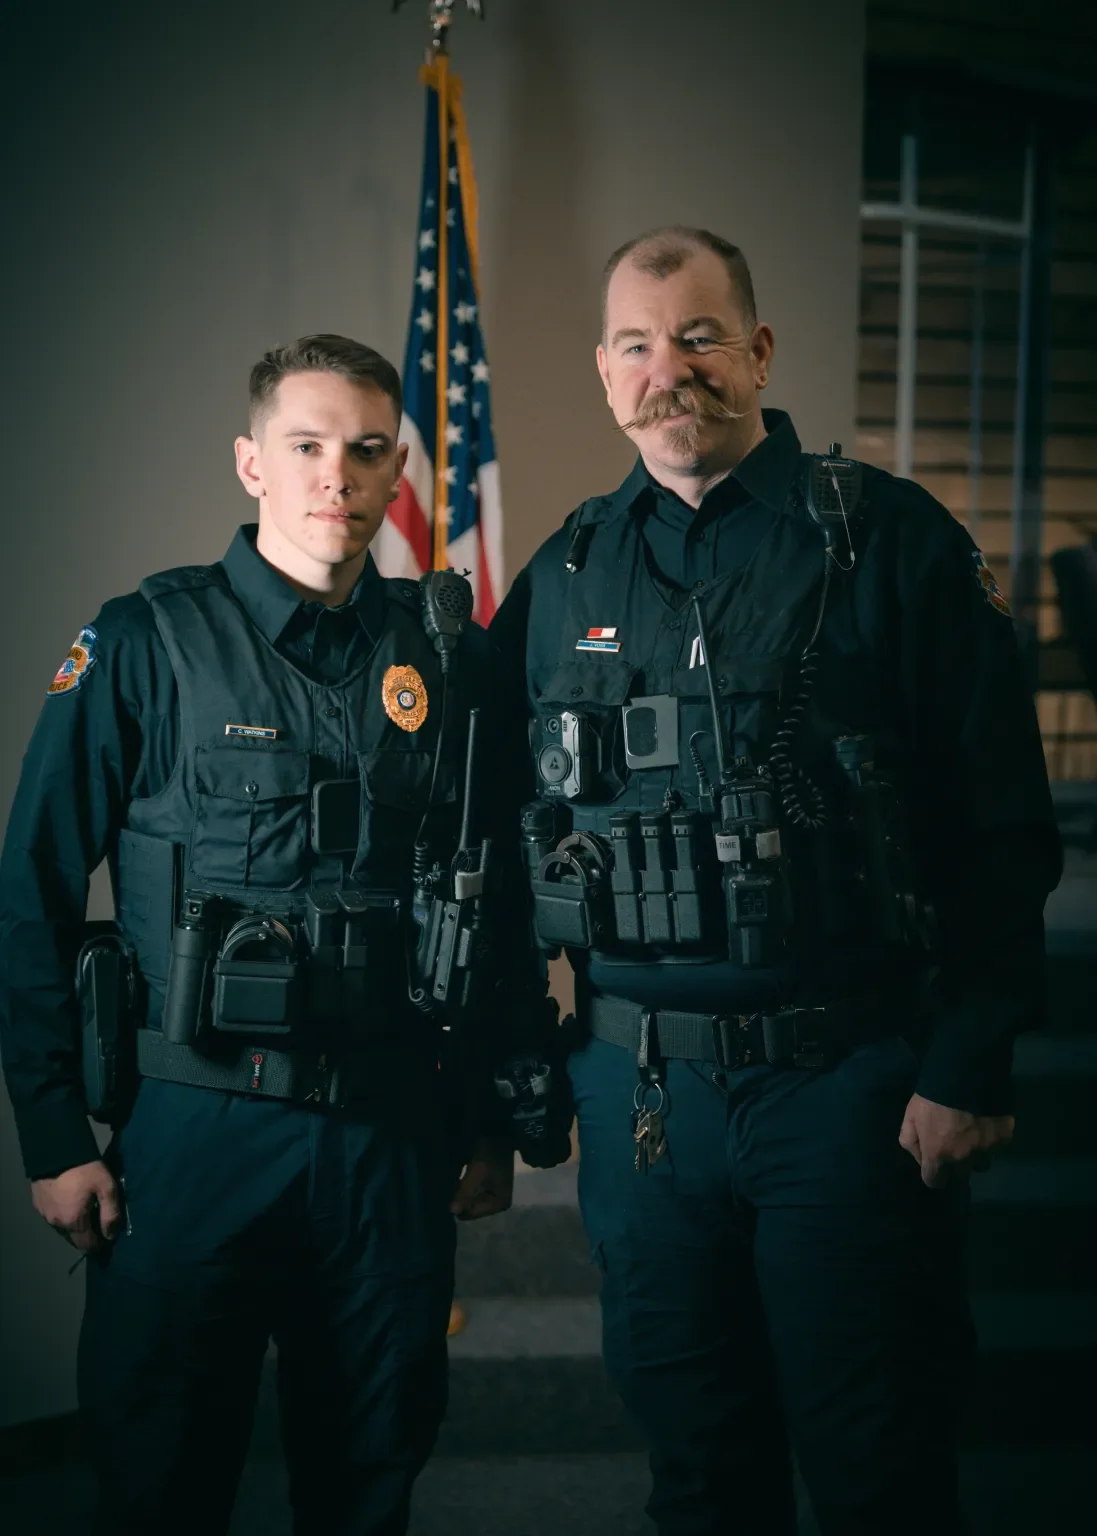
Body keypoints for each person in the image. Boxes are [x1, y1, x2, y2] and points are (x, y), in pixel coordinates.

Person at [488, 228, 1062, 1535]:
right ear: (603, 373)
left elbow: (1002, 825)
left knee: (878, 1462)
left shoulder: (887, 541)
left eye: (697, 336)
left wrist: (967, 1059)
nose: (667, 368)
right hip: (644, 1100)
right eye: (637, 343)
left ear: (757, 349)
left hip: (847, 1087)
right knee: (696, 1462)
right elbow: (495, 834)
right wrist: (525, 1064)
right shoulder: (566, 570)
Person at [0, 334, 522, 1536]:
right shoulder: (144, 643)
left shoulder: (447, 658)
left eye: (363, 450)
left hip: (388, 1135)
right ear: (251, 463)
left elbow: (485, 895)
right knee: (163, 1475)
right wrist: (49, 1132)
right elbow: (28, 889)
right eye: (304, 446)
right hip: (195, 1133)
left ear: (398, 474)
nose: (333, 476)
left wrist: (487, 1118)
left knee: (368, 1477)